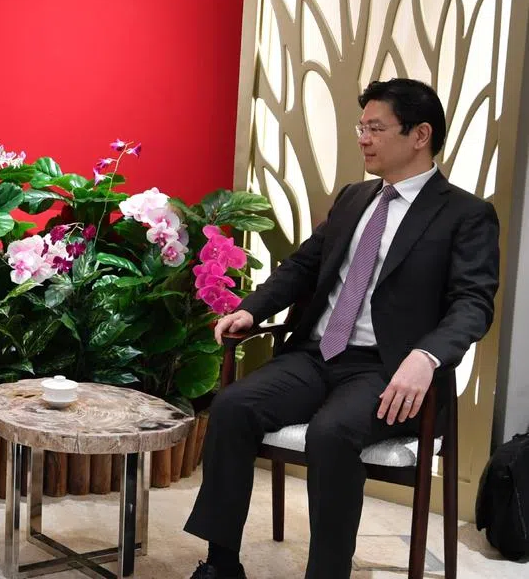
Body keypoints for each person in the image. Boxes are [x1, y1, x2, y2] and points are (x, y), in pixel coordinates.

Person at [183, 78, 501, 579]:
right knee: (232, 407)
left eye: (376, 127)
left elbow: (473, 303)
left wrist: (427, 356)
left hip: (389, 368)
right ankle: (221, 563)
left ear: (420, 135)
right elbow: (303, 266)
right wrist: (252, 308)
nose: (363, 138)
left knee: (332, 434)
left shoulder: (465, 214)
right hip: (317, 355)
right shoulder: (354, 198)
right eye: (362, 126)